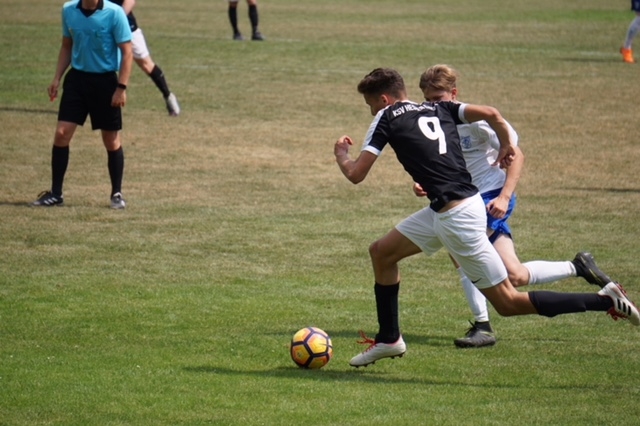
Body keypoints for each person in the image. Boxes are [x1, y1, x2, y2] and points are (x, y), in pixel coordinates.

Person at [333, 68, 639, 368]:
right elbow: (492, 113)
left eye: (370, 105)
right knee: (382, 252)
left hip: (457, 217)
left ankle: (606, 301)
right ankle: (389, 338)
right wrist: (506, 144)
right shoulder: (437, 108)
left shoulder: (385, 116)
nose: (371, 111)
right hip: (450, 208)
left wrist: (341, 156)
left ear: (384, 99)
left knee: (508, 302)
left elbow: (357, 174)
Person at [416, 64, 615, 349]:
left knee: (461, 255)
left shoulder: (476, 121)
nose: (433, 105)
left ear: (454, 94)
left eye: (438, 99)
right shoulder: (432, 123)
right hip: (463, 198)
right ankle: (578, 266)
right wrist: (423, 184)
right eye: (428, 99)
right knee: (515, 275)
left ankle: (482, 326)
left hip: (489, 197)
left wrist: (504, 197)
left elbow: (516, 154)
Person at [31, 0, 133, 209]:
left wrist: (121, 87)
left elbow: (127, 52)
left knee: (111, 139)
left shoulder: (114, 13)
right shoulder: (69, 10)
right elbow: (66, 45)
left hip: (105, 82)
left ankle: (116, 194)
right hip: (77, 80)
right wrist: (57, 77)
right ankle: (56, 194)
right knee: (61, 133)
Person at [109, 0, 180, 116]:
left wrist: (116, 20)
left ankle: (168, 96)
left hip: (127, 28)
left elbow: (130, 1)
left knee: (146, 65)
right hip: (102, 29)